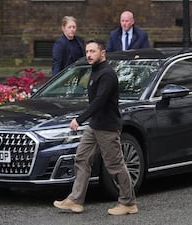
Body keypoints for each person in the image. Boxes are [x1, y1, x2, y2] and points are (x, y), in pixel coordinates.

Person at [53, 39, 138, 216]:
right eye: (87, 52)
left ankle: (128, 202)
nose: (89, 55)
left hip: (107, 127)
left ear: (102, 53)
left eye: (93, 51)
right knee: (82, 158)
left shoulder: (106, 74)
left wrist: (79, 119)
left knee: (115, 165)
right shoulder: (96, 71)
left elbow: (99, 101)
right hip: (95, 126)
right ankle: (76, 200)